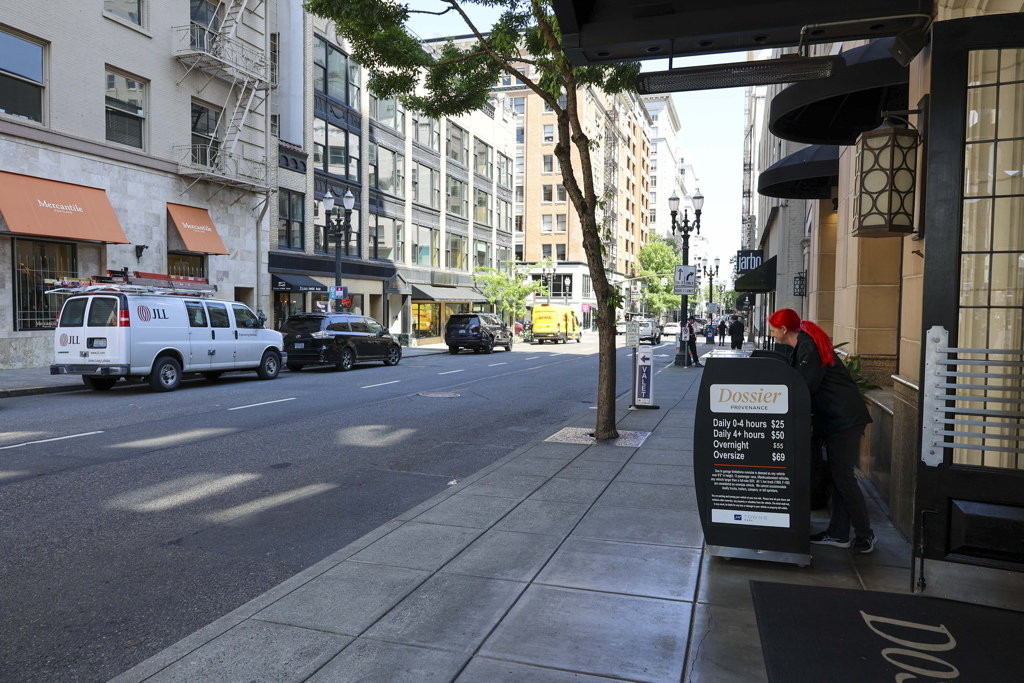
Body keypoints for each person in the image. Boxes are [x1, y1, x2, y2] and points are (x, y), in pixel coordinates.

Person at [768, 308, 875, 554]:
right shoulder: (804, 342)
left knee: (844, 478)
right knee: (838, 477)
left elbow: (803, 387)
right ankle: (839, 533)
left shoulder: (809, 347)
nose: (772, 334)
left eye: (773, 330)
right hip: (837, 419)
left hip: (844, 420)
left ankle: (865, 535)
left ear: (783, 329)